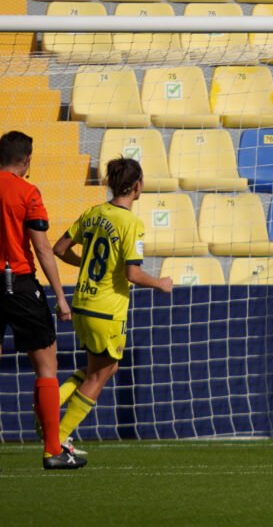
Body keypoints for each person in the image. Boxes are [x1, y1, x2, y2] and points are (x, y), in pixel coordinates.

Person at [53, 157, 173, 457]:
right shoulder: (132, 223)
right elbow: (132, 274)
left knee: (103, 368)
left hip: (82, 302)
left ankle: (48, 407)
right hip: (107, 310)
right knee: (100, 375)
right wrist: (160, 283)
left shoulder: (93, 213)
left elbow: (59, 249)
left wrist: (87, 265)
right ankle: (58, 437)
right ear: (137, 186)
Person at [0, 131, 79, 469]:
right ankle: (52, 450)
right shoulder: (28, 192)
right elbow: (43, 248)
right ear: (27, 159)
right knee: (46, 367)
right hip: (18, 284)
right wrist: (61, 298)